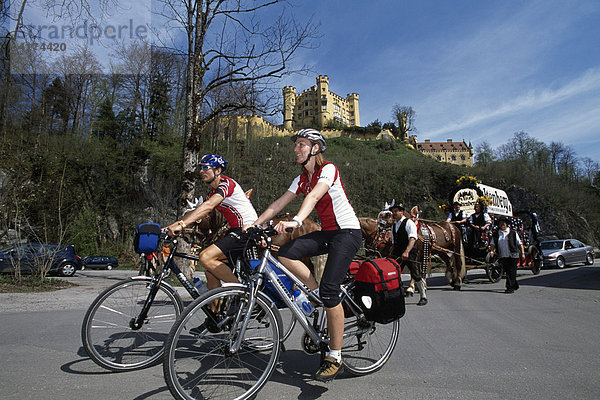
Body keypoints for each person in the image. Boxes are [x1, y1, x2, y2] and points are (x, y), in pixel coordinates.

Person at [250, 128, 362, 382]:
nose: (296, 149)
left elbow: (314, 196)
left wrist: (297, 220)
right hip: (329, 232)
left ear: (316, 148)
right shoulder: (302, 177)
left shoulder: (328, 169)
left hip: (347, 233)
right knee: (286, 252)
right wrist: (254, 224)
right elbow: (280, 202)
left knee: (331, 290)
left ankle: (335, 355)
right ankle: (314, 295)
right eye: (296, 144)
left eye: (301, 144)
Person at [165, 153, 258, 290]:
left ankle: (243, 293)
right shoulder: (213, 193)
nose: (201, 171)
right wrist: (171, 226)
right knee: (210, 270)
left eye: (206, 168)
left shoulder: (227, 184)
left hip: (247, 230)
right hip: (235, 231)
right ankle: (216, 310)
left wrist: (182, 225)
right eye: (200, 168)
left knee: (205, 257)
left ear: (218, 170)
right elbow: (197, 213)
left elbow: (208, 206)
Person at [390, 203, 427, 306]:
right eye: (393, 212)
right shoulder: (394, 225)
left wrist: (406, 252)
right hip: (398, 253)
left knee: (416, 274)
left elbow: (412, 239)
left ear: (402, 212)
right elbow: (394, 242)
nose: (394, 213)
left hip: (410, 253)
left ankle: (423, 296)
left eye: (396, 211)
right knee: (394, 274)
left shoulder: (408, 222)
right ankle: (396, 296)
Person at [489, 217, 525, 293]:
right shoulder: (496, 234)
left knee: (511, 271)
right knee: (508, 271)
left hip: (513, 255)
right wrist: (492, 251)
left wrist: (522, 253)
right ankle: (515, 285)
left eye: (503, 223)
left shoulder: (513, 233)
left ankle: (510, 288)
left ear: (506, 224)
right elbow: (492, 244)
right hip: (502, 255)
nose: (502, 224)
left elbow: (520, 244)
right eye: (500, 223)